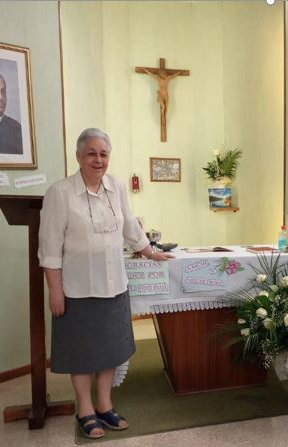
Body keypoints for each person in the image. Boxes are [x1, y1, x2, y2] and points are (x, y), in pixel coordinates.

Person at [38, 128, 173, 439]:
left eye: (103, 154)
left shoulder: (116, 187)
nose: (98, 160)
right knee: (82, 354)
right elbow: (49, 248)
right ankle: (84, 409)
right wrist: (55, 291)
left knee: (111, 351)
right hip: (78, 290)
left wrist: (150, 252)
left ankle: (104, 404)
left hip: (114, 286)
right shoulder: (60, 193)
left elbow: (130, 226)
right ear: (78, 157)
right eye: (91, 153)